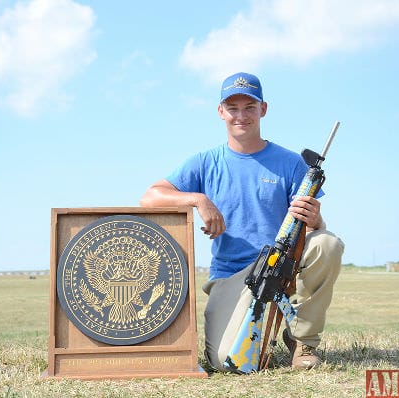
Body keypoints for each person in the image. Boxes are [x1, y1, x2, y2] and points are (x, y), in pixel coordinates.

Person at [139, 72, 344, 371]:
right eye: (233, 108)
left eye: (249, 107)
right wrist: (198, 200)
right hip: (230, 277)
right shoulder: (205, 162)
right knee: (226, 363)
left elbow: (314, 231)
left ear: (263, 109)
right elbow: (150, 197)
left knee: (328, 243)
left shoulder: (290, 163)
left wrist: (316, 218)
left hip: (280, 269)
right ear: (221, 112)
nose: (241, 116)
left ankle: (302, 341)